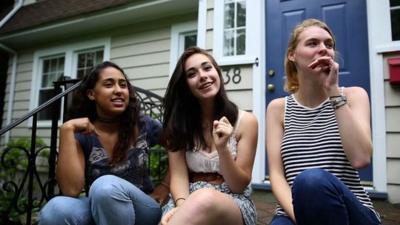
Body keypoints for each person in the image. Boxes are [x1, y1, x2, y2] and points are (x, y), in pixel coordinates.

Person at [265, 18, 381, 225]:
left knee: (311, 181)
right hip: (293, 212)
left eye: (329, 45)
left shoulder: (354, 96)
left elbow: (361, 159)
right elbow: (276, 175)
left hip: (352, 212)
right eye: (313, 43)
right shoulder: (277, 109)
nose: (324, 49)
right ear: (292, 55)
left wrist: (333, 92)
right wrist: (302, 216)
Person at [39, 61, 169, 225]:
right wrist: (67, 130)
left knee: (105, 187)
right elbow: (71, 190)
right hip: (101, 205)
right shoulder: (83, 134)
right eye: (109, 84)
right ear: (92, 94)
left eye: (123, 85)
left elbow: (180, 147)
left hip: (143, 208)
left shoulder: (143, 124)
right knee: (55, 209)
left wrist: (165, 186)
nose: (118, 90)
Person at [160, 47, 258, 225]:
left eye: (207, 68)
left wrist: (223, 149)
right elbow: (179, 176)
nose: (203, 75)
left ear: (217, 73)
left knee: (204, 199)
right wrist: (181, 204)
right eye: (192, 74)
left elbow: (238, 185)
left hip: (232, 201)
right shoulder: (178, 125)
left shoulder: (246, 122)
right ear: (185, 86)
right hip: (185, 196)